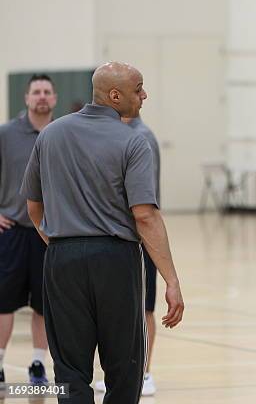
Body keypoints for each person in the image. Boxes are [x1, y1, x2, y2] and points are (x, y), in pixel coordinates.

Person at [20, 62, 184, 403]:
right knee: (124, 367)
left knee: (69, 369)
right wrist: (171, 280)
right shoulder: (134, 141)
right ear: (115, 95)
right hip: (115, 260)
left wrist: (58, 242)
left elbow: (33, 206)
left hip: (61, 259)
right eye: (138, 88)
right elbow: (145, 216)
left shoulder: (50, 134)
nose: (144, 95)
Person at [94, 115, 160, 396]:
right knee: (114, 309)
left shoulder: (139, 137)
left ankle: (143, 373)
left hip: (137, 237)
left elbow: (145, 201)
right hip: (113, 238)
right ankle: (120, 373)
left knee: (143, 307)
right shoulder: (112, 134)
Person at [0, 74, 57, 387]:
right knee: (4, 302)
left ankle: (38, 363)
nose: (42, 96)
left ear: (55, 98)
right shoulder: (6, 133)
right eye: (36, 91)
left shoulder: (62, 134)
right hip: (12, 231)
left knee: (43, 304)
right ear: (26, 98)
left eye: (47, 91)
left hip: (47, 233)